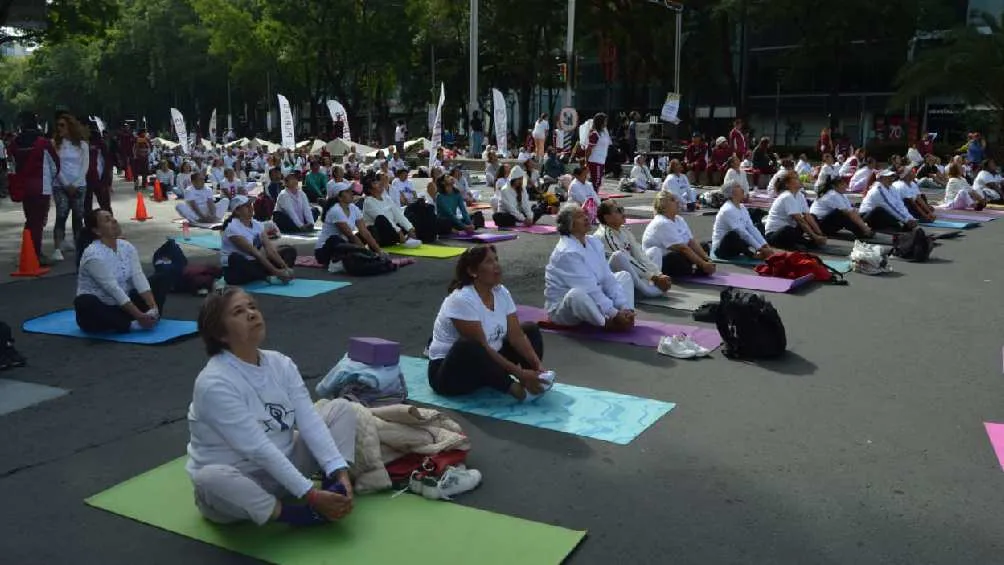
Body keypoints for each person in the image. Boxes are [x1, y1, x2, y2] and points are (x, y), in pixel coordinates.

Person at [186, 287, 357, 527]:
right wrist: (310, 494)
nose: (252, 314)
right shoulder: (214, 382)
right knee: (208, 478)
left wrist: (340, 474)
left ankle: (335, 495)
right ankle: (298, 515)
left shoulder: (280, 363)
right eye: (238, 312)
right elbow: (257, 449)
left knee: (341, 409)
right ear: (220, 333)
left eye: (253, 307)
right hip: (240, 484)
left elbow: (309, 420)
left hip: (285, 468)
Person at [427, 245, 548, 400]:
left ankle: (535, 380)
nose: (496, 265)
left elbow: (516, 335)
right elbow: (481, 347)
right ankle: (514, 389)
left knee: (530, 329)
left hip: (485, 365)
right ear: (473, 271)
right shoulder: (461, 299)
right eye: (489, 262)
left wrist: (538, 366)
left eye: (496, 259)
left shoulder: (501, 292)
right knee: (469, 345)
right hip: (451, 374)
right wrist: (518, 374)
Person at [73, 209, 167, 333]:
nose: (114, 221)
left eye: (112, 217)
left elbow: (138, 276)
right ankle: (130, 325)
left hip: (123, 306)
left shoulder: (126, 246)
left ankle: (149, 317)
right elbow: (113, 289)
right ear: (97, 231)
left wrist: (153, 307)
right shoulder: (93, 254)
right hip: (103, 310)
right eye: (107, 220)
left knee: (159, 278)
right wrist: (138, 315)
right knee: (84, 302)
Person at [544, 203, 635, 331]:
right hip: (565, 310)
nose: (586, 218)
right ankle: (606, 323)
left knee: (623, 276)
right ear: (570, 225)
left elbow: (607, 278)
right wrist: (614, 313)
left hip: (595, 299)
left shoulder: (593, 242)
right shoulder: (566, 251)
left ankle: (628, 314)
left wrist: (624, 307)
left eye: (585, 214)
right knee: (576, 294)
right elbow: (589, 289)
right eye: (580, 217)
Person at [594, 200, 671, 297]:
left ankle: (647, 284)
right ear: (607, 218)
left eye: (621, 209)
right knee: (619, 256)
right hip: (613, 277)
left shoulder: (623, 230)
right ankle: (645, 290)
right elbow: (628, 260)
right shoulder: (605, 235)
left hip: (631, 271)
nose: (623, 213)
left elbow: (640, 255)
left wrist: (658, 274)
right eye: (618, 211)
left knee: (654, 251)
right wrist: (653, 277)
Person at [222, 195, 297, 285]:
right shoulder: (233, 228)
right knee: (235, 258)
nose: (251, 208)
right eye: (246, 206)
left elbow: (270, 250)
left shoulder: (257, 224)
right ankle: (267, 277)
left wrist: (284, 267)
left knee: (288, 250)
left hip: (254, 263)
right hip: (237, 269)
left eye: (251, 205)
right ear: (237, 211)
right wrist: (276, 271)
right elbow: (255, 253)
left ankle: (269, 275)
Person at [642, 191, 715, 277]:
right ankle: (695, 269)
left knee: (704, 246)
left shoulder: (679, 219)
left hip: (679, 253)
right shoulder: (661, 222)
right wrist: (703, 264)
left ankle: (699, 269)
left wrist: (707, 259)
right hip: (661, 260)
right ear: (664, 207)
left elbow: (691, 242)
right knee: (676, 258)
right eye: (672, 200)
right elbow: (683, 248)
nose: (677, 201)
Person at [51, 114, 90, 262]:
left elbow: (85, 166)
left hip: (79, 185)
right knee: (61, 214)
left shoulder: (82, 145)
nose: (59, 128)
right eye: (58, 125)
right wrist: (66, 183)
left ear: (70, 127)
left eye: (62, 125)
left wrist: (77, 182)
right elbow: (56, 166)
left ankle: (79, 244)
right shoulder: (55, 144)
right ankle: (57, 247)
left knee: (78, 216)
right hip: (60, 185)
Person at [763, 170, 827, 249]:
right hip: (775, 235)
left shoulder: (799, 195)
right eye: (795, 179)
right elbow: (800, 220)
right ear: (787, 184)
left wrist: (820, 234)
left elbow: (808, 216)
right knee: (788, 230)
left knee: (813, 217)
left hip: (791, 230)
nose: (799, 180)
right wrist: (815, 237)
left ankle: (804, 242)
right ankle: (804, 243)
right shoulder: (787, 196)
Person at [711, 181, 776, 259]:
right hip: (723, 248)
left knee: (758, 226)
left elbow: (751, 228)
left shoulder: (742, 207)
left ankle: (760, 252)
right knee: (733, 235)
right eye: (738, 187)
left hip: (737, 246)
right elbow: (742, 232)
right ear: (731, 193)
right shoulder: (727, 210)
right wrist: (760, 248)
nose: (742, 189)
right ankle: (753, 255)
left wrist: (766, 246)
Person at [319, 183, 384, 255]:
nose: (351, 193)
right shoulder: (335, 210)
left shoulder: (353, 207)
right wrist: (368, 254)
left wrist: (379, 251)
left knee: (370, 229)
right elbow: (350, 236)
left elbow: (364, 232)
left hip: (345, 243)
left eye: (350, 191)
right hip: (325, 249)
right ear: (339, 197)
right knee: (336, 240)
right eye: (347, 192)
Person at [361, 172, 419, 247]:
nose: (379, 184)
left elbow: (397, 214)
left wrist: (410, 228)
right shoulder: (368, 201)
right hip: (380, 232)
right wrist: (399, 232)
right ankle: (401, 239)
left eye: (377, 182)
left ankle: (408, 237)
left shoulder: (386, 198)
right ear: (370, 190)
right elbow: (384, 219)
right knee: (381, 218)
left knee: (410, 213)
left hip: (394, 228)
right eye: (375, 183)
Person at [809, 176, 874, 239]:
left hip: (825, 223)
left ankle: (864, 230)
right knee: (841, 213)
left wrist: (863, 225)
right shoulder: (832, 194)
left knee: (850, 212)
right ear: (833, 186)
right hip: (818, 225)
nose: (845, 186)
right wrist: (864, 227)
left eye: (845, 184)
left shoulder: (842, 195)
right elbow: (848, 213)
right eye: (842, 184)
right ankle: (862, 232)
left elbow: (852, 211)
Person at [85, 123, 113, 212]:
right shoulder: (81, 143)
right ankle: (89, 223)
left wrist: (107, 178)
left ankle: (109, 221)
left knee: (104, 203)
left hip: (100, 178)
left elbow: (107, 161)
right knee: (86, 206)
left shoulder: (100, 143)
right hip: (86, 179)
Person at [584, 113, 612, 191]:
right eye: (605, 121)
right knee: (596, 182)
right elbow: (588, 149)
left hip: (602, 161)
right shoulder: (594, 134)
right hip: (594, 161)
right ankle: (592, 199)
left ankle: (593, 198)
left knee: (598, 182)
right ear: (600, 122)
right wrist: (586, 162)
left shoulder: (604, 133)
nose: (606, 123)